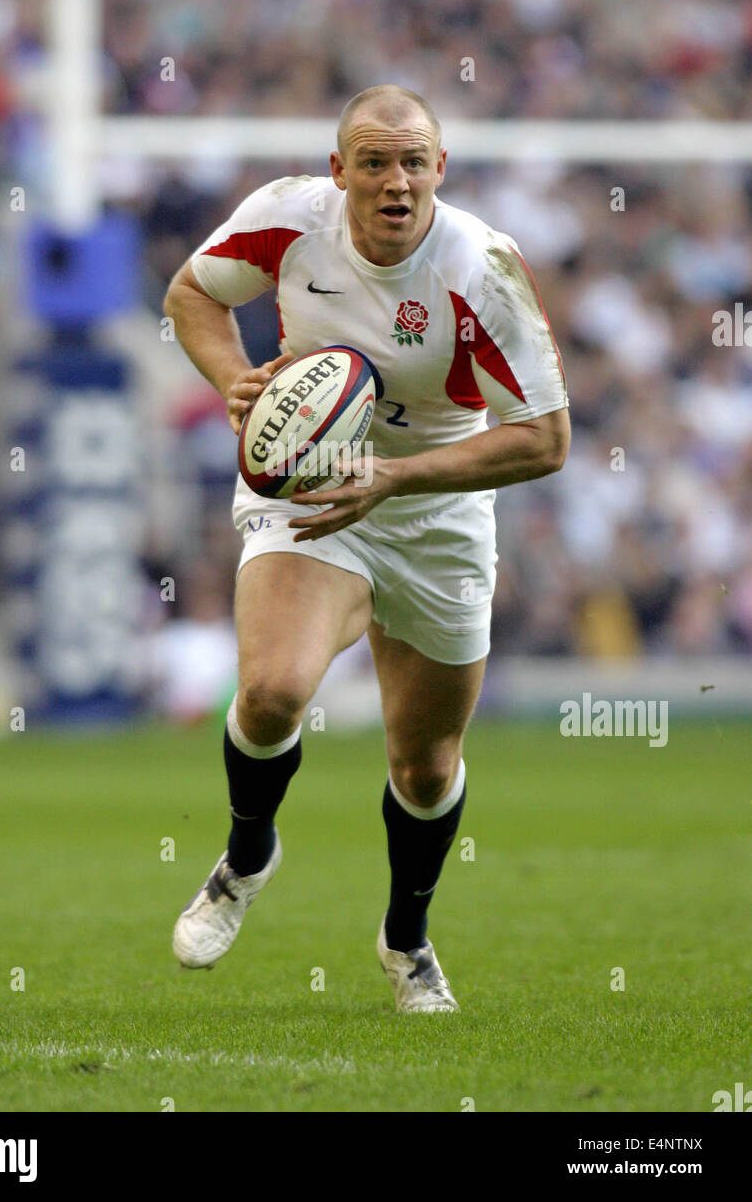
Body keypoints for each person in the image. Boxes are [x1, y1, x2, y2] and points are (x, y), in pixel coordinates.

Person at [163, 85, 570, 1012]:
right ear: (337, 170)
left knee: (424, 764)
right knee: (269, 694)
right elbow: (191, 293)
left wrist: (396, 478)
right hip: (309, 479)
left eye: (414, 162)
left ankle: (407, 939)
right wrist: (237, 382)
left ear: (440, 169)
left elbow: (546, 439)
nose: (397, 183)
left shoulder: (483, 269)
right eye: (375, 163)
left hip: (437, 504)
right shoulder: (285, 221)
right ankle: (246, 854)